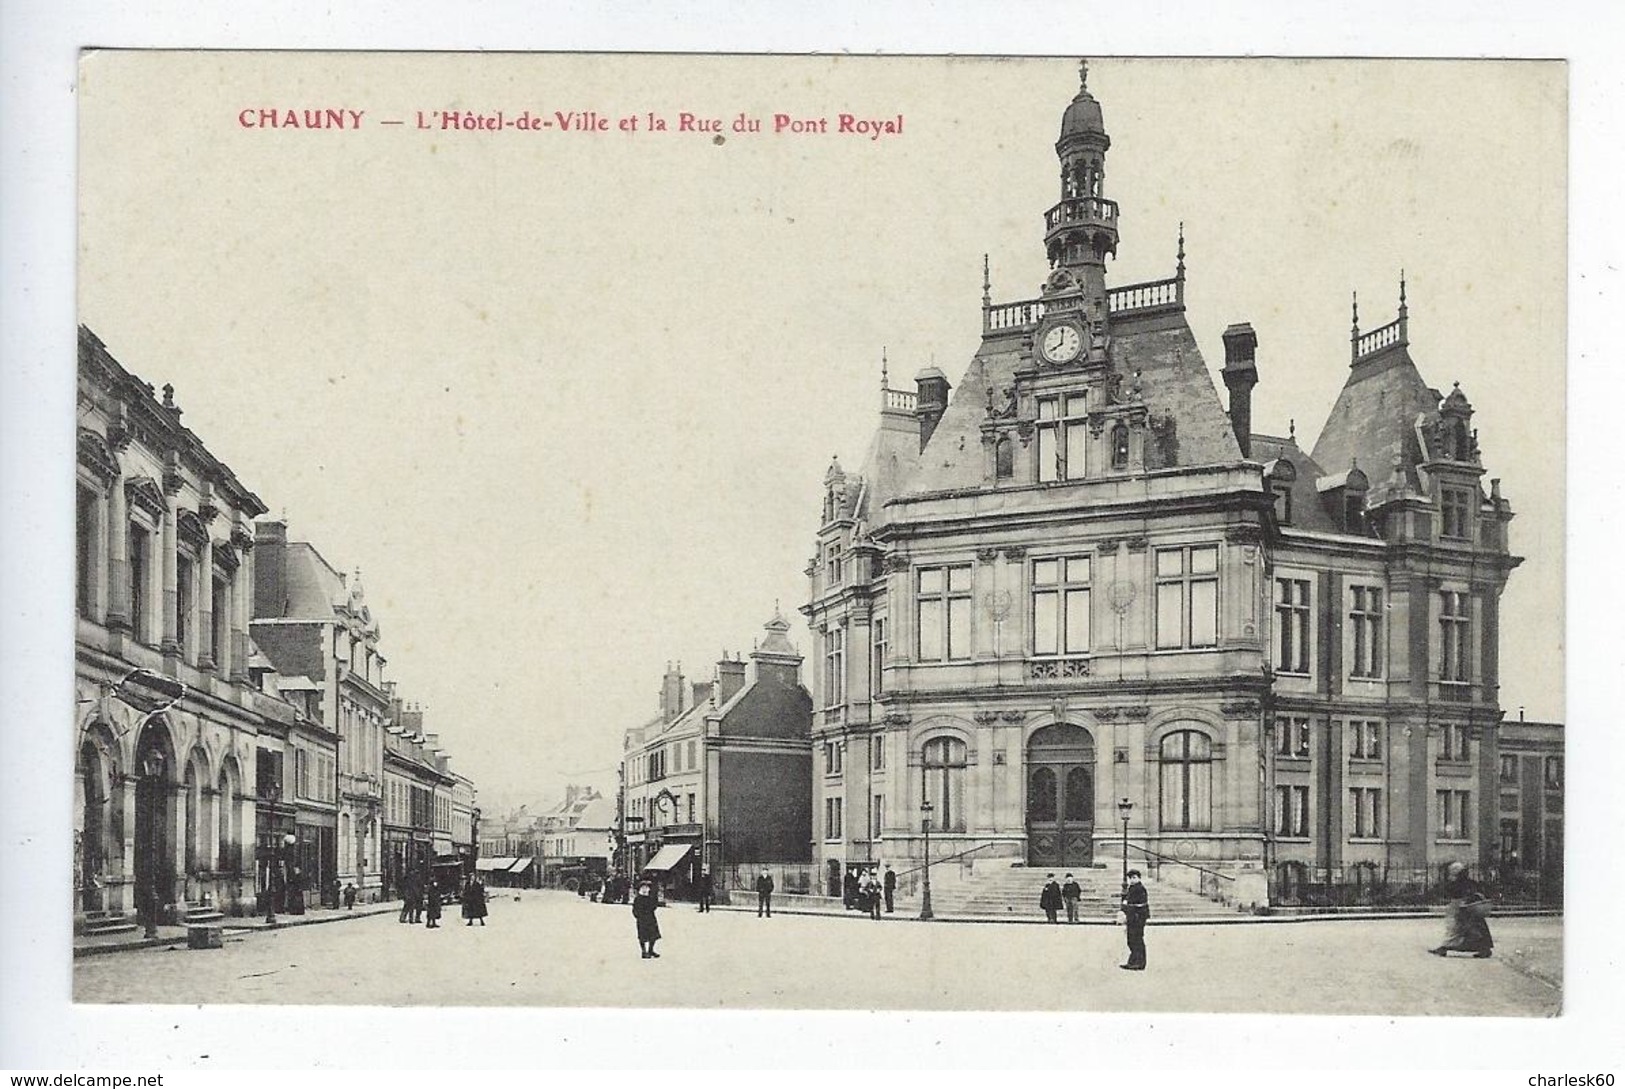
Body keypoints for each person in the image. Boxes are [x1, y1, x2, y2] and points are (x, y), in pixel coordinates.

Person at [1430, 862, 1494, 958]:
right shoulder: (1470, 882)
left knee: (1456, 929)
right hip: (1470, 909)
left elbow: (1452, 893)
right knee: (1474, 930)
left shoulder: (1457, 883)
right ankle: (1484, 949)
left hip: (1462, 909)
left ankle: (1444, 947)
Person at [1121, 869, 1149, 970]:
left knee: (1137, 939)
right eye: (1130, 878)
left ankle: (1140, 963)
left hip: (1138, 917)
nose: (1132, 880)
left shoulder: (1141, 889)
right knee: (1131, 939)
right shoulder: (1131, 888)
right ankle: (1132, 961)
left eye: (1134, 878)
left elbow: (1141, 904)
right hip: (1131, 916)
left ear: (1139, 878)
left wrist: (1129, 906)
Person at [632, 880, 662, 959]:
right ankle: (643, 951)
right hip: (642, 919)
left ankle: (650, 950)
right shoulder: (638, 899)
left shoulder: (650, 897)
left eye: (646, 887)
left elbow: (654, 906)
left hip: (651, 918)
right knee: (642, 935)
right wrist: (638, 916)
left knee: (653, 935)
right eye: (643, 887)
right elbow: (635, 909)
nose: (645, 889)